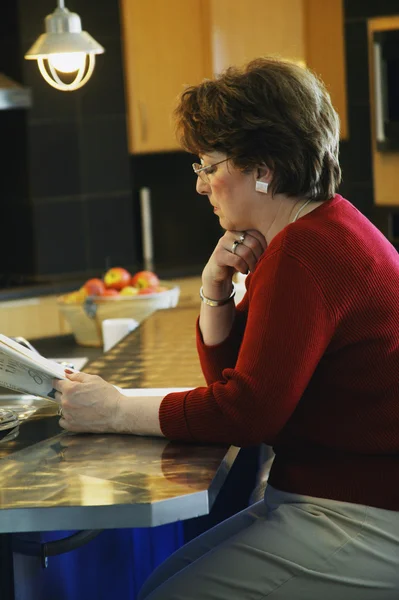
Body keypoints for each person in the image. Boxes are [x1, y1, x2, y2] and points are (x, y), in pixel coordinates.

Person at [53, 57, 399, 599]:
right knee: (161, 586)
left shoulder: (305, 252)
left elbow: (246, 413)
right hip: (342, 501)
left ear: (262, 168)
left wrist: (116, 408)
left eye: (207, 166)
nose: (200, 186)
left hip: (367, 516)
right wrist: (216, 290)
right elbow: (238, 384)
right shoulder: (314, 231)